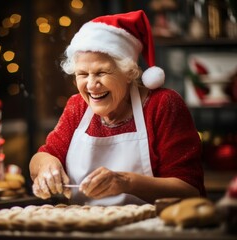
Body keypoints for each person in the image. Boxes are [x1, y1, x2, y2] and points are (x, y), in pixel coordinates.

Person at [29, 10, 205, 206]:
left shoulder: (163, 105)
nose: (91, 85)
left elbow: (190, 191)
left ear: (129, 72)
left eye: (101, 72)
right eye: (82, 74)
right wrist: (46, 165)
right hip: (82, 228)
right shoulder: (76, 106)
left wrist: (127, 182)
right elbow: (42, 156)